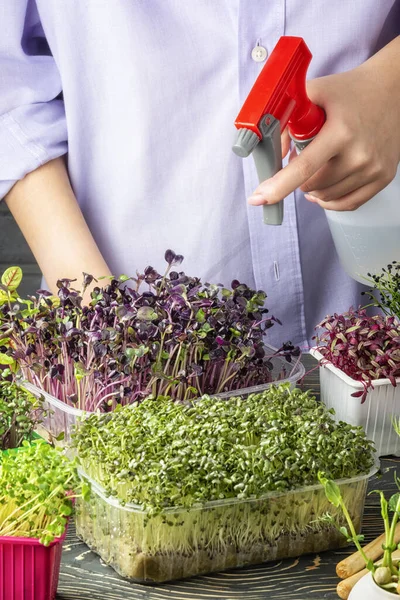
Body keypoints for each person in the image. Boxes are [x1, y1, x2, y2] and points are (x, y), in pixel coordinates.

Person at [1, 1, 399, 350]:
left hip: (375, 319)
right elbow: (11, 94)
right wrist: (102, 319)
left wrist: (389, 86)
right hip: (130, 325)